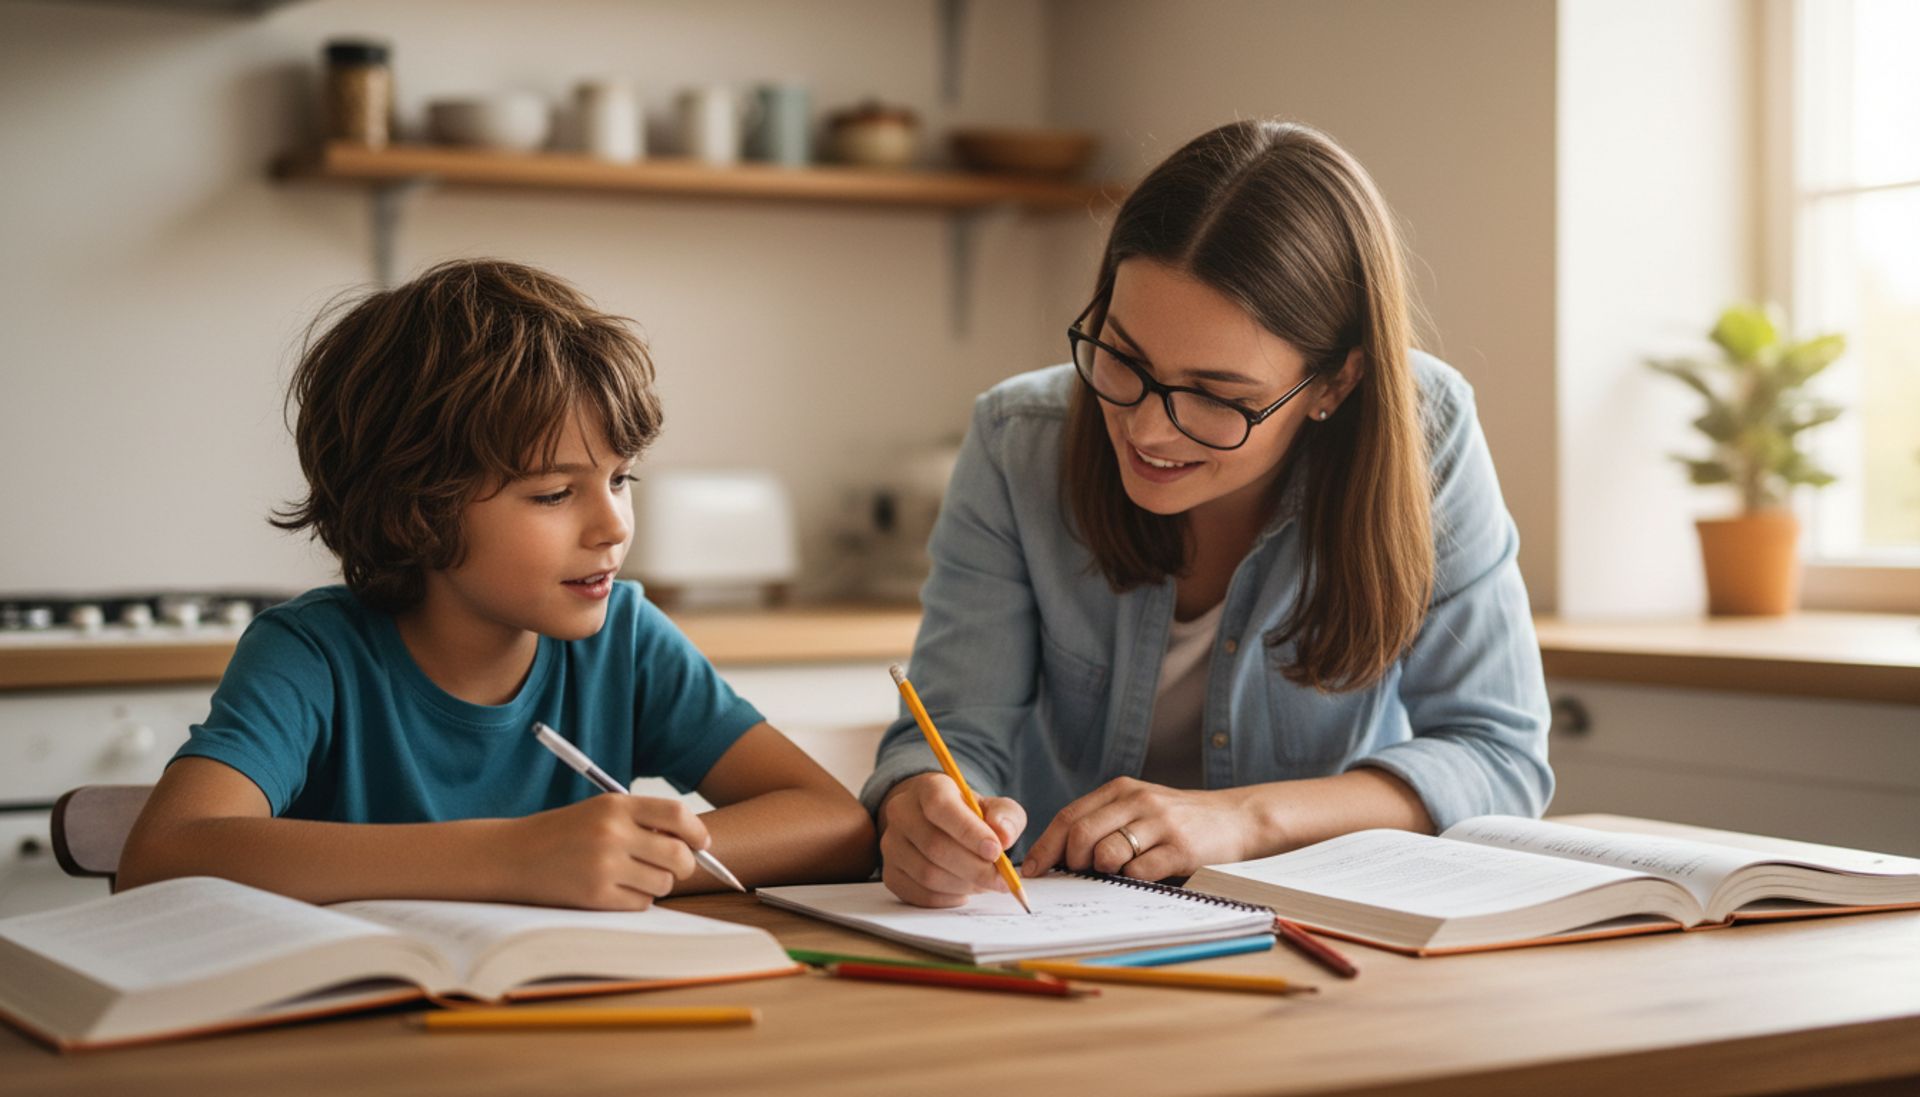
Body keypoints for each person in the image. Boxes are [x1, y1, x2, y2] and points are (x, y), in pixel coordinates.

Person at [865, 120, 1552, 907]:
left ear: (1335, 383)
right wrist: (920, 802)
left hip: (1326, 937)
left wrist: (1246, 819)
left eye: (1220, 396)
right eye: (1123, 356)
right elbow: (952, 735)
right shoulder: (1019, 441)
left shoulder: (1424, 434)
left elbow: (1498, 758)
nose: (1149, 430)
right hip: (1056, 933)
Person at [118, 259, 875, 908]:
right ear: (416, 507)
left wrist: (627, 868)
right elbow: (165, 855)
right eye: (554, 493)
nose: (612, 525)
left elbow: (833, 821)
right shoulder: (313, 655)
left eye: (621, 478)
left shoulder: (624, 637)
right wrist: (515, 859)